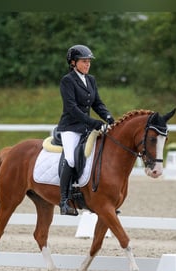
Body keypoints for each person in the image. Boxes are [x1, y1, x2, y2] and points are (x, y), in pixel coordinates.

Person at [57, 44, 115, 215]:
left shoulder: (91, 80)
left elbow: (97, 103)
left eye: (89, 61)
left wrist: (109, 117)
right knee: (71, 159)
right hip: (71, 128)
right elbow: (72, 108)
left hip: (86, 128)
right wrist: (95, 123)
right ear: (73, 63)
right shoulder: (67, 80)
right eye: (84, 61)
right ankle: (64, 201)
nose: (87, 64)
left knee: (99, 155)